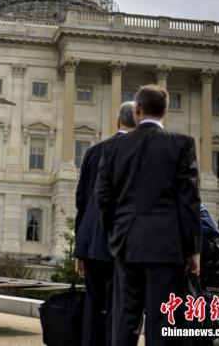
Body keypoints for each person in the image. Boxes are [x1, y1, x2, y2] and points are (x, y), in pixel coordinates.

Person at [97, 85, 202, 346]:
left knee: (125, 320)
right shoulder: (181, 144)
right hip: (166, 248)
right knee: (163, 322)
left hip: (127, 243)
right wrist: (193, 249)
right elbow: (189, 201)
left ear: (139, 110)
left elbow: (104, 199)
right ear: (165, 111)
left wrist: (114, 235)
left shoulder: (113, 148)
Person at [74, 101, 136, 346]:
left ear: (117, 121)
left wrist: (80, 249)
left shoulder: (94, 151)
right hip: (125, 246)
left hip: (92, 244)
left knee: (94, 307)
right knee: (122, 312)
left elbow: (82, 202)